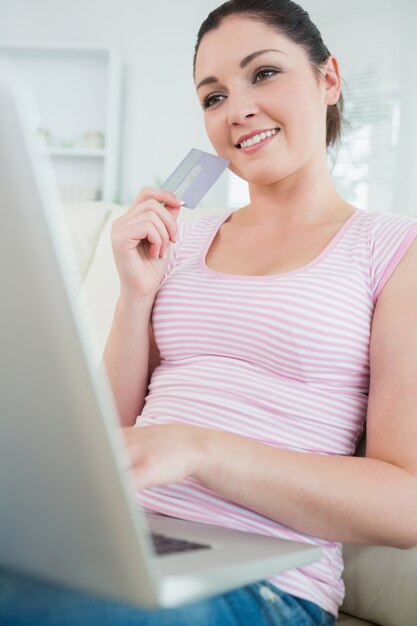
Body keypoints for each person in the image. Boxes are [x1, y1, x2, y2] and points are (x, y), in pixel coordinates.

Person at [2, 0, 417, 624]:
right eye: (213, 96)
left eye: (264, 73)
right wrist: (135, 296)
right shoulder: (181, 238)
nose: (238, 109)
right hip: (120, 540)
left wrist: (199, 449)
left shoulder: (392, 250)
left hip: (270, 585)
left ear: (328, 78)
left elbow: (403, 507)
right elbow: (108, 439)